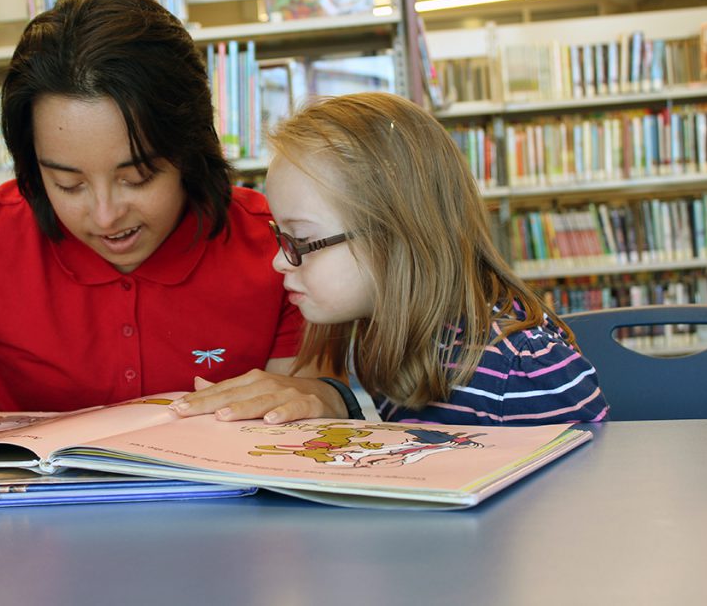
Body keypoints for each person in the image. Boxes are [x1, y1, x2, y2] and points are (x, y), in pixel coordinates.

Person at [0, 0, 343, 441]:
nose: (106, 214)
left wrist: (319, 397)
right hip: (23, 534)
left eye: (137, 177)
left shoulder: (276, 244)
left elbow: (296, 421)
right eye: (67, 183)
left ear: (189, 150)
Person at [174, 92, 609, 425]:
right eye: (279, 236)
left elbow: (580, 511)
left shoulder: (521, 374)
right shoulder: (389, 336)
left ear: (394, 239)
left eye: (301, 240)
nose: (280, 263)